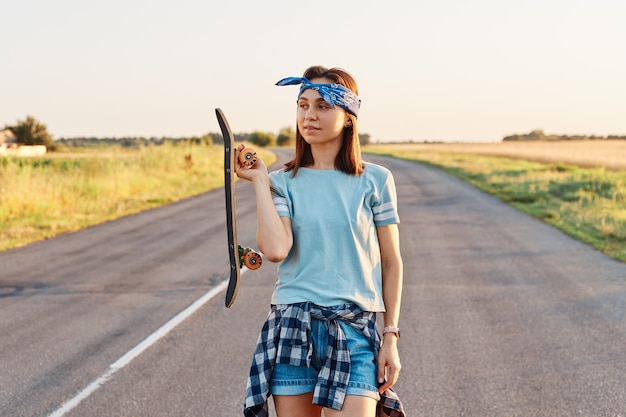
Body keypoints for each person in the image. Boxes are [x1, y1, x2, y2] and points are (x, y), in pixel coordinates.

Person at [236, 66, 404, 417]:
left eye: (323, 106)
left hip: (353, 331)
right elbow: (276, 250)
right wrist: (258, 181)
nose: (309, 115)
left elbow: (392, 262)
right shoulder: (281, 182)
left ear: (348, 117)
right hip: (292, 326)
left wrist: (390, 335)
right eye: (303, 105)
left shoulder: (376, 180)